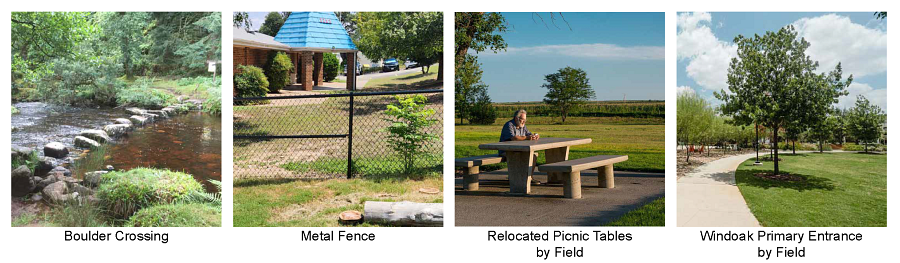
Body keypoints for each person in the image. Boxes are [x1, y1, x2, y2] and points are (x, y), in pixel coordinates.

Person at [499, 109, 540, 181]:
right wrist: (527, 138)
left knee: (533, 155)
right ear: (516, 118)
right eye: (522, 119)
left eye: (525, 120)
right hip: (507, 151)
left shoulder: (523, 126)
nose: (524, 121)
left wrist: (535, 135)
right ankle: (516, 179)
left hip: (519, 150)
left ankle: (529, 178)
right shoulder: (509, 125)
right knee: (520, 156)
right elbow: (514, 138)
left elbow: (529, 134)